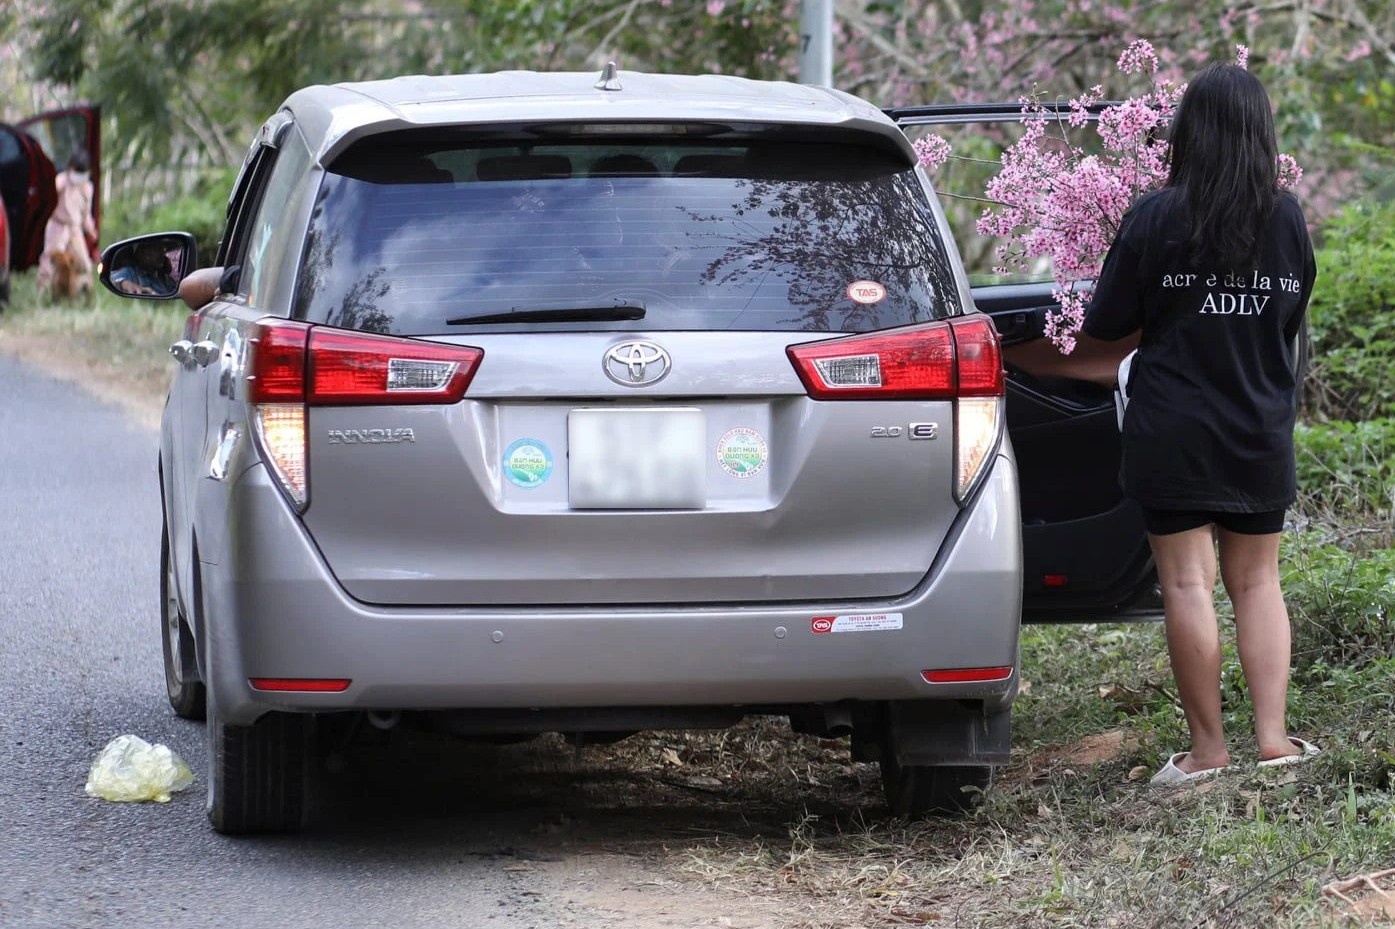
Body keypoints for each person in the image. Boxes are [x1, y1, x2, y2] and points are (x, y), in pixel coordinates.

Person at [1081, 64, 1318, 785]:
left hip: (1173, 429)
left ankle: (1205, 754)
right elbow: (1291, 316)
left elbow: (1106, 324)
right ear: (1260, 134)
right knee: (1258, 584)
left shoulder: (1156, 216)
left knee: (1186, 585)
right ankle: (1273, 743)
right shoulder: (1285, 219)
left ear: (1187, 132)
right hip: (1257, 427)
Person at [36, 151, 97, 296]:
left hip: (75, 228)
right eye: (77, 171)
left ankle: (84, 293)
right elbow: (47, 198)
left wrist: (90, 230)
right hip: (58, 225)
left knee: (83, 262)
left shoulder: (87, 188)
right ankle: (43, 291)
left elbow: (86, 213)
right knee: (50, 260)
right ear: (70, 168)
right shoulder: (61, 181)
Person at [111, 240, 178, 296]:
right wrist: (122, 284)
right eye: (156, 248)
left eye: (162, 249)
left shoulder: (167, 280)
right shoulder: (129, 273)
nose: (162, 253)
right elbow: (110, 281)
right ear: (142, 252)